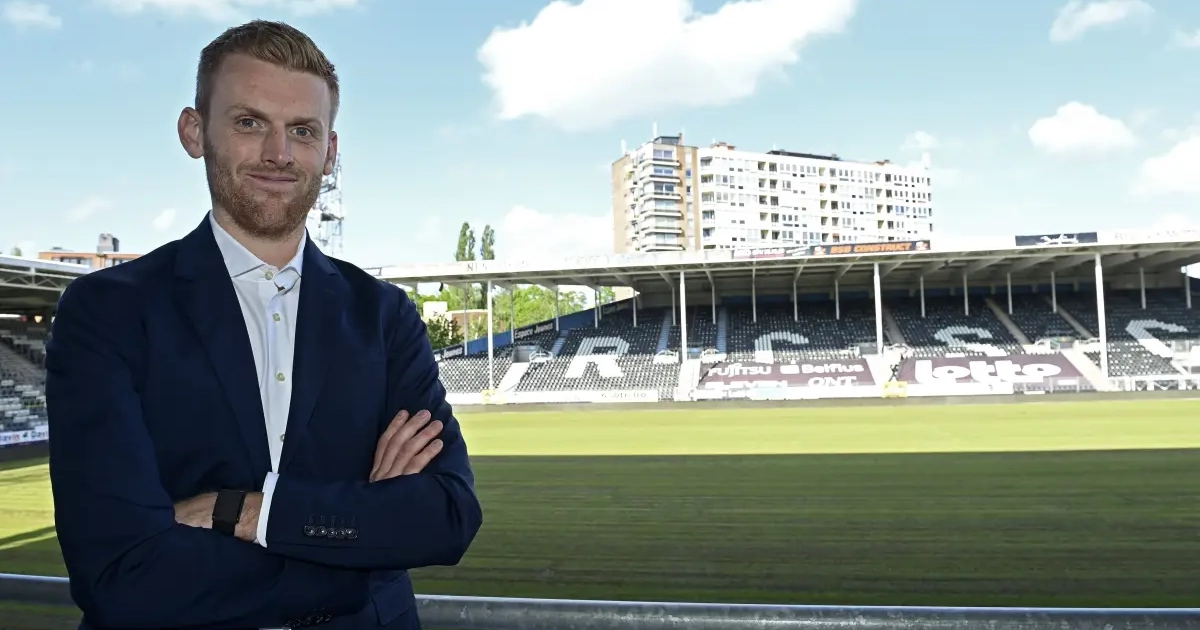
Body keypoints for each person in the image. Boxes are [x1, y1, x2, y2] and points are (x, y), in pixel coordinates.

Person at [44, 20, 482, 630]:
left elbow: (446, 516)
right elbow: (122, 571)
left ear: (330, 151)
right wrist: (362, 555)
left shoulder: (383, 315)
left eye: (302, 130)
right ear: (194, 132)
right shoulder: (107, 311)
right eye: (250, 123)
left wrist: (250, 512)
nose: (279, 153)